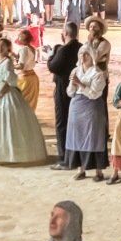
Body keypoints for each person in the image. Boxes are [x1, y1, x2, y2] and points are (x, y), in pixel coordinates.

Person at [0, 39, 49, 166]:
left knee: (7, 123)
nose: (0, 48)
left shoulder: (8, 62)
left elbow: (8, 82)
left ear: (8, 48)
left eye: (3, 46)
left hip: (4, 92)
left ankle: (9, 154)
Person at [65, 52, 112, 181]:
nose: (83, 57)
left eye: (87, 55)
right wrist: (73, 84)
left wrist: (80, 84)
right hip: (76, 107)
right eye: (82, 54)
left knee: (94, 137)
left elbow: (94, 94)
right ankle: (81, 169)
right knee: (78, 136)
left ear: (93, 57)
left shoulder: (98, 74)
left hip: (92, 107)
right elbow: (70, 92)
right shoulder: (75, 70)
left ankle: (99, 172)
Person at [46, 24, 82, 168]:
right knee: (75, 123)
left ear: (65, 33)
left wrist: (51, 56)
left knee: (62, 122)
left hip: (63, 88)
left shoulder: (63, 50)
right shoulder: (81, 47)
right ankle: (76, 156)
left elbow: (53, 67)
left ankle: (64, 157)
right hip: (78, 89)